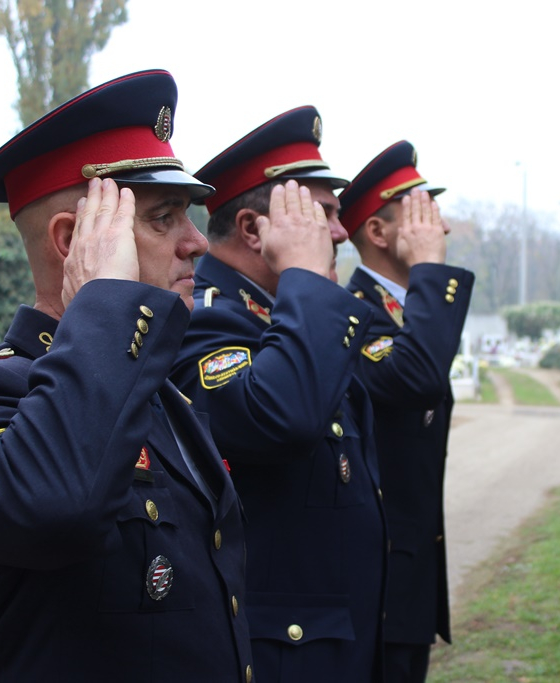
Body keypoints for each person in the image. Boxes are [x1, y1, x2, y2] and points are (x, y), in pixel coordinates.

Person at [0, 69, 254, 682]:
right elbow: (55, 506)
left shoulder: (156, 391)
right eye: (162, 218)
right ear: (74, 242)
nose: (197, 242)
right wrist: (104, 300)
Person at [170, 106, 387, 683]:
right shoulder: (205, 319)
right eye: (323, 217)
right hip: (281, 657)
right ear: (252, 229)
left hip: (334, 641)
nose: (341, 233)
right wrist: (309, 278)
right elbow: (277, 420)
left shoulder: (283, 314)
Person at [338, 141, 475, 682]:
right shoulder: (356, 316)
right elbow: (417, 378)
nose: (437, 228)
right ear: (378, 233)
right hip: (376, 586)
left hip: (407, 577)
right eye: (419, 214)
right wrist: (430, 273)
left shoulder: (403, 315)